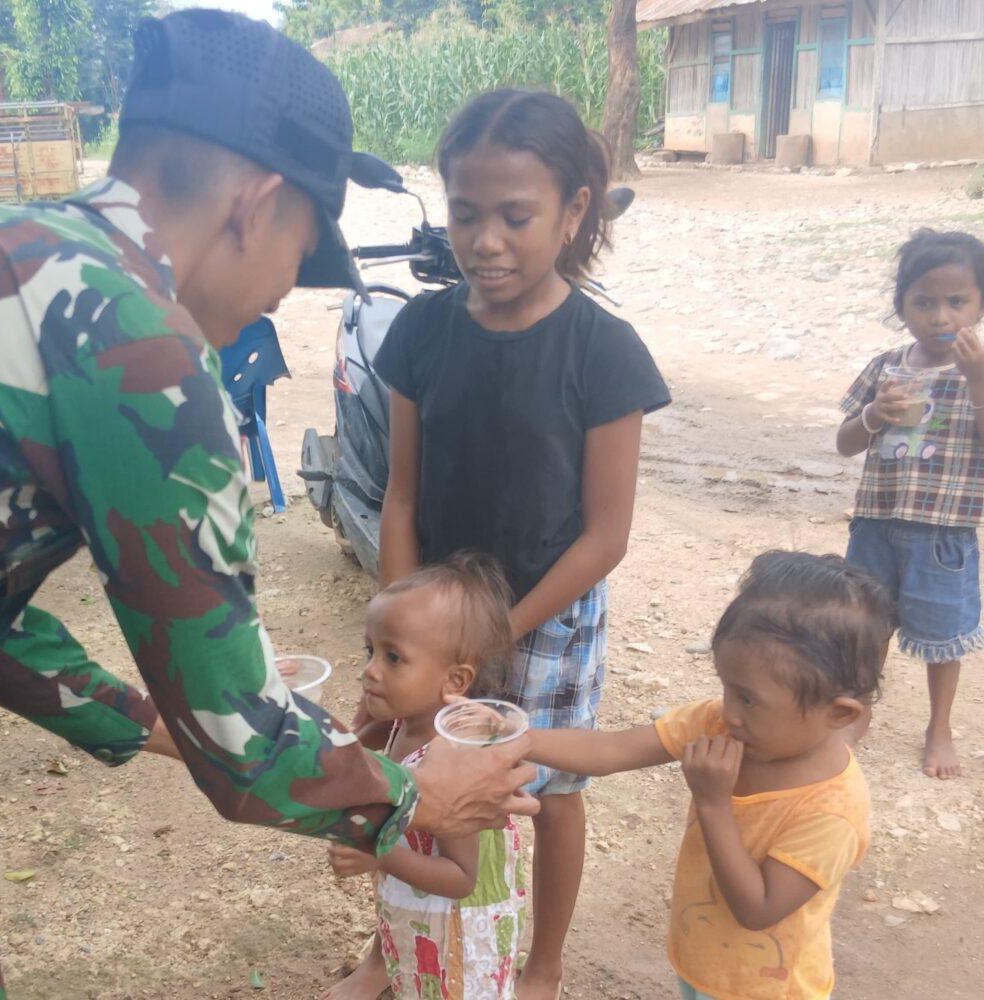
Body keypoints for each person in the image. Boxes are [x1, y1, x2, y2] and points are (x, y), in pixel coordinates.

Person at [0, 11, 537, 997]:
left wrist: (145, 717)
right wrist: (417, 792)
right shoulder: (137, 344)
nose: (282, 295)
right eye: (304, 252)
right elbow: (247, 756)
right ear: (255, 204)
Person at [370, 88, 671, 998]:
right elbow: (402, 493)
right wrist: (399, 625)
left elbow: (605, 535)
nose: (485, 240)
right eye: (466, 213)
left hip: (550, 620)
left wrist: (498, 633)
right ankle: (387, 958)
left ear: (575, 211)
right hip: (436, 621)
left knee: (550, 794)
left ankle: (541, 964)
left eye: (515, 216)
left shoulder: (603, 351)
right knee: (410, 780)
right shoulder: (422, 330)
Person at [522, 551, 893, 1000]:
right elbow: (609, 749)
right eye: (726, 688)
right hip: (704, 969)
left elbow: (757, 909)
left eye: (748, 700)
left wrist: (715, 803)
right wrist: (518, 738)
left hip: (770, 991)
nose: (729, 712)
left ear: (839, 713)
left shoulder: (832, 812)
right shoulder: (725, 723)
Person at [325, 553, 526, 1000]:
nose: (370, 670)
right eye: (370, 650)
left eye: (394, 657)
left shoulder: (456, 759)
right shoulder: (407, 721)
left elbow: (461, 876)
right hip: (422, 922)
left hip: (459, 936)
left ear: (454, 679)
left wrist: (381, 854)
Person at [836, 229, 984, 779]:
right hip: (876, 523)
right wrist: (874, 415)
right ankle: (859, 710)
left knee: (944, 636)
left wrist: (976, 380)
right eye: (923, 302)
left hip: (944, 532)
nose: (940, 316)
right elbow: (845, 442)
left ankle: (939, 726)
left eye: (956, 301)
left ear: (979, 304)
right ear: (901, 306)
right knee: (867, 623)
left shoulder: (979, 369)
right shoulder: (885, 367)